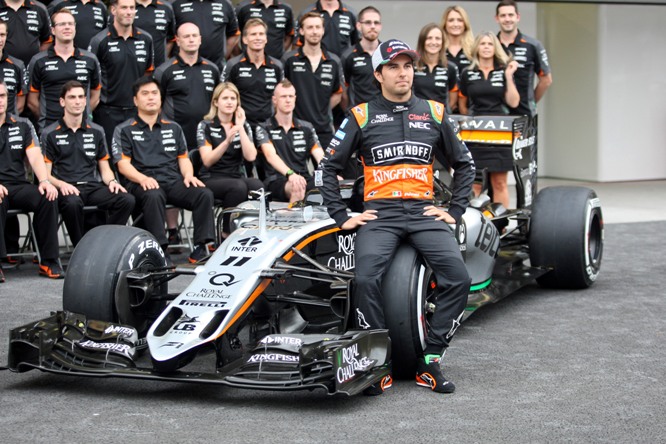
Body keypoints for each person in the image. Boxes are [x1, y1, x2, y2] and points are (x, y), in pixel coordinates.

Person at [317, 39, 475, 395]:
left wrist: (454, 210)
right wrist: (341, 215)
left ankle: (431, 360)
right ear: (378, 74)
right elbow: (328, 167)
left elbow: (465, 165)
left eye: (407, 66)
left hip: (423, 212)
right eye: (393, 66)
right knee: (364, 278)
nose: (402, 73)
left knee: (459, 278)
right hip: (382, 215)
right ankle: (377, 363)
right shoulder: (360, 115)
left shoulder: (435, 112)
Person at [113, 76, 215, 264]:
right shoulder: (124, 129)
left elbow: (183, 158)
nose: (150, 97)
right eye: (145, 94)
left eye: (154, 93)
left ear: (161, 98)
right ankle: (160, 250)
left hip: (171, 180)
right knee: (154, 194)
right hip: (140, 182)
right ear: (136, 101)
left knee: (203, 193)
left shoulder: (174, 128)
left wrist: (189, 175)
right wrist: (142, 179)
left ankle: (201, 248)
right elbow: (123, 165)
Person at [41, 80, 134, 247]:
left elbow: (105, 169)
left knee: (126, 199)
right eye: (72, 97)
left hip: (92, 187)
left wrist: (112, 182)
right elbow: (45, 174)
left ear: (85, 101)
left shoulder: (97, 130)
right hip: (66, 187)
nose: (77, 101)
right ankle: (81, 247)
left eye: (81, 97)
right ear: (62, 101)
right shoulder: (49, 133)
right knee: (72, 203)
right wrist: (62, 185)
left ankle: (104, 242)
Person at [0, 81, 62, 281]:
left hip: (18, 185)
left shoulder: (23, 124)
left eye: (2, 96)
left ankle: (48, 260)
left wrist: (44, 180)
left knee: (48, 196)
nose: (0, 101)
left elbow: (35, 155)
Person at [458, 31, 519, 208]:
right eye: (483, 43)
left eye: (490, 44)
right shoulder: (467, 73)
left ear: (495, 48)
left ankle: (501, 226)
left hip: (500, 132)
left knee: (499, 183)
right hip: (474, 134)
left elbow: (514, 102)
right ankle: (474, 227)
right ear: (477, 47)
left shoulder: (503, 71)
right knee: (474, 184)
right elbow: (462, 105)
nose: (486, 47)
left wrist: (509, 76)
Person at [195, 82, 262, 237]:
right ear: (216, 102)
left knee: (257, 185)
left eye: (233, 98)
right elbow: (207, 160)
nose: (230, 102)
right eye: (225, 98)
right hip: (211, 177)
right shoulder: (205, 125)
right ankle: (226, 233)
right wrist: (226, 142)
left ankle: (253, 232)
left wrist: (240, 128)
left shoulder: (242, 125)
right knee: (237, 187)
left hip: (235, 176)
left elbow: (251, 156)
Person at [89, 0, 154, 148]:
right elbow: (91, 79)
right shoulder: (99, 41)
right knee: (111, 160)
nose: (129, 12)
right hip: (108, 112)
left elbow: (148, 75)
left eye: (132, 8)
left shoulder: (146, 39)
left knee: (139, 158)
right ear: (113, 10)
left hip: (137, 111)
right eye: (124, 7)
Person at [27, 8, 102, 132]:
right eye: (62, 24)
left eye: (70, 24)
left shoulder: (90, 59)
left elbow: (95, 97)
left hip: (83, 129)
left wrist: (82, 114)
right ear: (52, 30)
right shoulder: (38, 60)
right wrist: (47, 119)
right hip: (49, 129)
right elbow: (32, 101)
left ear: (75, 28)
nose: (67, 27)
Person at [255, 79, 323, 203]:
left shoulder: (306, 127)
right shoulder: (264, 127)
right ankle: (293, 220)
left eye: (291, 96)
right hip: (277, 180)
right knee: (297, 187)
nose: (288, 100)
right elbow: (270, 155)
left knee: (333, 183)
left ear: (295, 98)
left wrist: (330, 173)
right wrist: (290, 174)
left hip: (303, 177)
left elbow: (320, 155)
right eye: (283, 96)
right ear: (274, 100)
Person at [282, 12, 342, 153]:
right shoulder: (289, 59)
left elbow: (338, 95)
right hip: (294, 128)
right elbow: (280, 93)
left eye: (317, 27)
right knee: (297, 174)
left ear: (323, 30)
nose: (314, 31)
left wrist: (321, 110)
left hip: (324, 130)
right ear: (301, 31)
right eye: (309, 27)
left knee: (326, 172)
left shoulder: (334, 61)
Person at [154, 22, 220, 150]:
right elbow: (156, 105)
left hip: (207, 136)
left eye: (194, 36)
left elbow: (218, 102)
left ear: (200, 39)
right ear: (178, 41)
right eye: (186, 36)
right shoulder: (164, 71)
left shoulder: (213, 69)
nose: (191, 39)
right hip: (175, 137)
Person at [495, 0, 552, 117]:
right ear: (497, 18)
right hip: (494, 114)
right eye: (503, 15)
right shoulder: (490, 45)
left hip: (524, 113)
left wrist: (531, 102)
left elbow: (546, 80)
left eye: (511, 15)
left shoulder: (533, 45)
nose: (507, 19)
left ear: (518, 17)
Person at [171, 0, 239, 71]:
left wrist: (222, 56)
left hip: (216, 66)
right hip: (182, 67)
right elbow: (169, 37)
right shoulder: (176, 4)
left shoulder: (225, 3)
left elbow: (234, 34)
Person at [340, 5, 381, 110]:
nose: (372, 26)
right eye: (368, 22)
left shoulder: (387, 53)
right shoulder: (348, 56)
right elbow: (344, 91)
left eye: (376, 23)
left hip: (385, 115)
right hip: (360, 116)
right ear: (358, 26)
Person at [413, 23, 458, 114]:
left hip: (441, 118)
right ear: (422, 41)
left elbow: (453, 101)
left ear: (443, 42)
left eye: (437, 38)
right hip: (417, 116)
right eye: (429, 38)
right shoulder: (412, 66)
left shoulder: (451, 68)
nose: (433, 42)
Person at [0, 0, 52, 67]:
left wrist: (37, 61)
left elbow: (47, 41)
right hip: (4, 69)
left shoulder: (39, 8)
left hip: (33, 69)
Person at [134, 0, 176, 68]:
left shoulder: (166, 7)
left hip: (158, 68)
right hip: (133, 69)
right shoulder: (126, 7)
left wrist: (163, 60)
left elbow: (171, 38)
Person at [0, 20, 27, 115]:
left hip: (10, 126)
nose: (0, 40)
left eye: (2, 35)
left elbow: (20, 103)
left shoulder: (18, 65)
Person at [440, 5, 474, 79]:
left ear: (465, 24)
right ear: (445, 24)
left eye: (460, 20)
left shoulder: (474, 50)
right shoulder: (438, 49)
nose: (455, 24)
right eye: (451, 20)